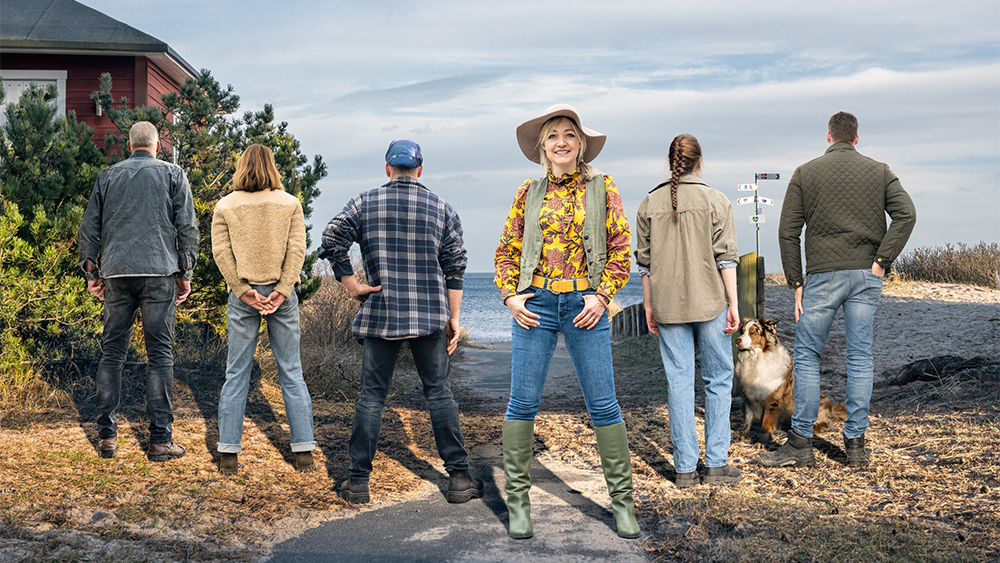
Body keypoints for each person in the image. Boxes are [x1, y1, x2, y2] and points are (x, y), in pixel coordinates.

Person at [494, 104, 638, 539]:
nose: (561, 141)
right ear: (543, 146)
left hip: (584, 304)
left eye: (570, 134)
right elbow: (506, 251)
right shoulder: (528, 192)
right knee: (522, 403)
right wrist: (510, 297)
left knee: (603, 403)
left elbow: (620, 249)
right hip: (534, 303)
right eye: (553, 135)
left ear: (580, 145)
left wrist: (602, 296)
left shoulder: (602, 187)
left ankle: (623, 505)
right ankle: (518, 504)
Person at [319, 139, 484, 505]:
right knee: (439, 393)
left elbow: (332, 238)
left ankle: (358, 482)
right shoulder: (441, 207)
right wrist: (453, 318)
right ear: (420, 170)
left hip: (381, 312)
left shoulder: (364, 202)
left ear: (387, 169)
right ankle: (458, 479)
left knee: (372, 396)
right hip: (428, 316)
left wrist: (351, 285)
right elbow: (455, 267)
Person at [763, 111, 916, 469]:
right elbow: (906, 214)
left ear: (828, 137)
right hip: (866, 275)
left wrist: (795, 283)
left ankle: (801, 443)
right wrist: (881, 260)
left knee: (807, 357)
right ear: (856, 139)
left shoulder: (805, 172)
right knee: (860, 358)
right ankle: (856, 446)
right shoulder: (879, 170)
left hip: (822, 276)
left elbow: (788, 232)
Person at [78, 121, 199, 461]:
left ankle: (106, 437)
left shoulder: (108, 176)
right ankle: (160, 440)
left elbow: (88, 229)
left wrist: (91, 272)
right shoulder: (173, 175)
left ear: (129, 145)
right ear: (157, 146)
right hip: (160, 272)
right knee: (159, 355)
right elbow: (187, 226)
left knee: (112, 352)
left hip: (116, 273)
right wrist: (185, 271)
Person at [634, 134, 741, 488]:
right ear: (700, 161)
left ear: (670, 162)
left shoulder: (649, 203)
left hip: (667, 304)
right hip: (710, 300)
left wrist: (649, 305)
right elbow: (726, 259)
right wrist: (734, 305)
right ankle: (715, 464)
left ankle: (683, 470)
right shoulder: (716, 200)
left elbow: (644, 265)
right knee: (719, 379)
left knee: (679, 382)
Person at [211, 144, 316, 475]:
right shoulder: (290, 204)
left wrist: (244, 292)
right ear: (272, 166)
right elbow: (296, 250)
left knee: (236, 372)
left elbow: (221, 253)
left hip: (244, 296)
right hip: (281, 296)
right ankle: (303, 452)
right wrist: (282, 291)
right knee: (291, 371)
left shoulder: (225, 205)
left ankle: (228, 452)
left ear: (241, 166)